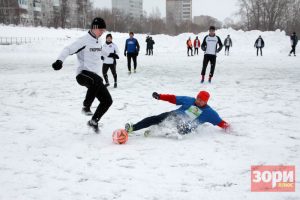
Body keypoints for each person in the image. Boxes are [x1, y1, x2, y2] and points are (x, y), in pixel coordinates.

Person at [52, 17, 114, 133]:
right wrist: (59, 61)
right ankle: (86, 107)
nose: (102, 32)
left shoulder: (98, 41)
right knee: (97, 80)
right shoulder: (83, 40)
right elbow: (68, 49)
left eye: (103, 30)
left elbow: (101, 50)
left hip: (95, 79)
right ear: (94, 28)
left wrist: (111, 55)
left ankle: (93, 121)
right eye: (101, 30)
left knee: (107, 101)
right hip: (82, 75)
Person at [125, 91, 230, 135]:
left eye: (201, 100)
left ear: (206, 102)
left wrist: (230, 129)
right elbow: (173, 98)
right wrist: (160, 96)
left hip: (187, 126)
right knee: (156, 118)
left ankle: (156, 131)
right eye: (198, 98)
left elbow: (221, 123)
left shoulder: (209, 112)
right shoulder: (190, 100)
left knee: (181, 128)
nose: (198, 101)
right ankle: (133, 128)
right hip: (174, 115)